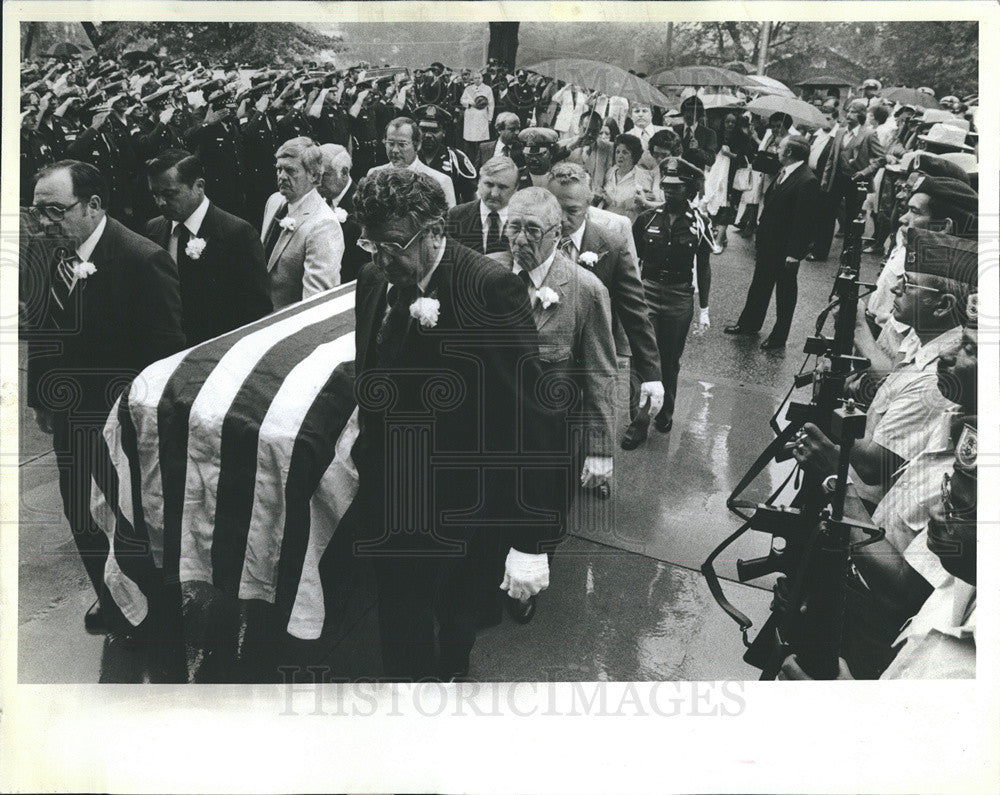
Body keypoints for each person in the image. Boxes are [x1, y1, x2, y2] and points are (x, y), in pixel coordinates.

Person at [347, 168, 567, 679]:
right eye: (370, 242)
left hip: (460, 504)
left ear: (435, 230)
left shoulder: (489, 290)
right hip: (390, 495)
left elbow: (530, 419)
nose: (381, 257)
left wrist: (532, 540)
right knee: (400, 630)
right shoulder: (375, 277)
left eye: (394, 244)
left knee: (454, 623)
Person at [25, 160, 186, 632]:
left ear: (93, 205)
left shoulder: (141, 258)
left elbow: (165, 357)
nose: (45, 223)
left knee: (132, 520)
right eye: (38, 212)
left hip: (122, 423)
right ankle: (108, 595)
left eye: (56, 211)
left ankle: (152, 609)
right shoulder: (46, 253)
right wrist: (40, 398)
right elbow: (42, 332)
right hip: (70, 418)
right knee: (80, 512)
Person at [488, 186, 618, 621]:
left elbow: (601, 371)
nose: (520, 240)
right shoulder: (486, 272)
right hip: (494, 426)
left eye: (532, 230)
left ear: (558, 234)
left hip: (552, 436)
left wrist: (600, 447)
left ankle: (527, 586)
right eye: (513, 228)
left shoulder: (585, 289)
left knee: (542, 515)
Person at [794, 227, 974, 501]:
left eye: (908, 284)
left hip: (864, 501)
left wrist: (829, 401)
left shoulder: (937, 378)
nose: (894, 288)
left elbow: (871, 465)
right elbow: (884, 402)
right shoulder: (922, 338)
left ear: (942, 306)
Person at [547, 161, 663, 450]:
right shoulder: (532, 236)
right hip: (543, 358)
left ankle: (594, 466)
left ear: (589, 205)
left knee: (590, 421)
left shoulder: (610, 243)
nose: (562, 220)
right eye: (556, 209)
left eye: (572, 211)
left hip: (589, 358)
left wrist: (651, 374)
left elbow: (635, 310)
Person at [145, 149, 272, 345]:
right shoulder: (154, 229)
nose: (160, 203)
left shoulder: (237, 235)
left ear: (199, 186)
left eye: (169, 194)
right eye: (155, 195)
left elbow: (256, 312)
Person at [632, 157, 713, 435]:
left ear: (689, 190)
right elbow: (632, 262)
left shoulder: (699, 222)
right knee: (644, 356)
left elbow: (703, 265)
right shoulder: (647, 218)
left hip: (680, 297)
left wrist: (704, 309)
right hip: (649, 291)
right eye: (666, 186)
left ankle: (665, 412)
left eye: (676, 188)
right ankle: (639, 420)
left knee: (669, 360)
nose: (669, 192)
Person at [726, 135, 819, 350]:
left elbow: (804, 222)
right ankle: (749, 323)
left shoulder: (807, 180)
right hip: (769, 243)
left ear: (788, 153)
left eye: (780, 148)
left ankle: (779, 337)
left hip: (785, 248)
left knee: (785, 293)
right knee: (760, 284)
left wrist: (795, 254)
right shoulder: (785, 171)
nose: (777, 150)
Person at [261, 136, 345, 309]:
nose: (282, 177)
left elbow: (315, 301)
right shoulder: (274, 201)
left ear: (314, 175)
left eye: (290, 171)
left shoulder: (324, 224)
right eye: (279, 169)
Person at [368, 116, 456, 207]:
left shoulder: (440, 181)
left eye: (402, 145)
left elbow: (449, 219)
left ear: (417, 145)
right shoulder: (374, 175)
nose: (395, 150)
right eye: (390, 143)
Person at [446, 155, 519, 254]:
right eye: (489, 184)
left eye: (502, 187)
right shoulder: (456, 216)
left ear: (515, 189)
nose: (494, 194)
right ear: (479, 182)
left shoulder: (523, 220)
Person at [317, 143, 367, 284]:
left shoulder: (360, 206)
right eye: (315, 174)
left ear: (344, 173)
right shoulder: (323, 201)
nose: (318, 182)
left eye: (324, 175)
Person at [413, 103, 478, 203]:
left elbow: (470, 199)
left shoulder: (456, 159)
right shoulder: (409, 156)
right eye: (424, 130)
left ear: (443, 132)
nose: (428, 135)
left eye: (434, 131)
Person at [707, 112, 753, 248]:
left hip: (733, 177)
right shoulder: (717, 135)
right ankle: (722, 236)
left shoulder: (743, 138)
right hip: (717, 175)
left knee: (727, 206)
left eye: (733, 122)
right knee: (715, 202)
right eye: (727, 122)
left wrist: (730, 155)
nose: (730, 125)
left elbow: (747, 157)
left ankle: (719, 239)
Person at [601, 133, 654, 222]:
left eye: (625, 152)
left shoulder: (643, 177)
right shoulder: (610, 173)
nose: (620, 155)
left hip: (629, 225)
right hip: (606, 222)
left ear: (634, 155)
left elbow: (646, 207)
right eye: (617, 152)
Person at [677, 95, 718, 172]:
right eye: (686, 111)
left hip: (695, 178)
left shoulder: (709, 133)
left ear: (699, 114)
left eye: (693, 111)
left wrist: (698, 150)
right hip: (675, 176)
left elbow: (711, 160)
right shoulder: (675, 130)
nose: (689, 115)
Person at [460, 70, 495, 157]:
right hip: (471, 116)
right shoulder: (468, 89)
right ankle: (470, 157)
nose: (477, 80)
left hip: (481, 116)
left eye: (479, 78)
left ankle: (480, 158)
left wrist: (490, 118)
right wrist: (470, 103)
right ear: (473, 79)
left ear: (482, 78)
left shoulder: (487, 89)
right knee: (470, 140)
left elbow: (491, 104)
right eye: (475, 78)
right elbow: (462, 100)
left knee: (481, 140)